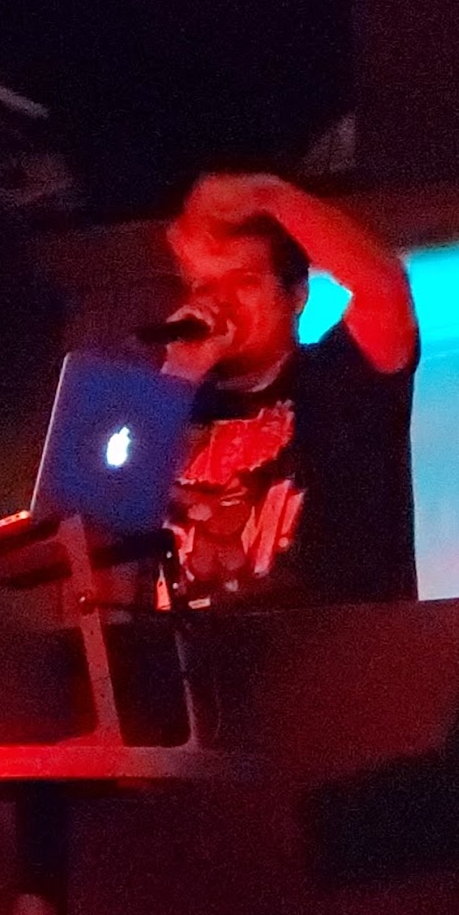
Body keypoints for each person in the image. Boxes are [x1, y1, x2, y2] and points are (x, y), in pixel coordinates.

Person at [154, 172, 420, 609]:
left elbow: (384, 289)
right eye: (204, 287)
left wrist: (270, 197)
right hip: (181, 646)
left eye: (243, 282)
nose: (220, 303)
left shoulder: (338, 374)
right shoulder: (173, 399)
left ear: (297, 295)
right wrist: (179, 374)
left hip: (336, 641)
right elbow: (105, 515)